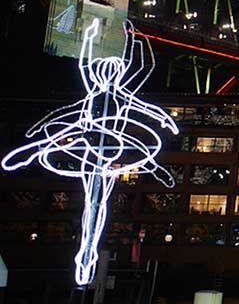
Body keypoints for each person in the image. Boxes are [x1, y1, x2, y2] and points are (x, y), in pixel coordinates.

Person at [2, 20, 178, 285]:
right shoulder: (100, 96)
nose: (109, 74)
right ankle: (87, 255)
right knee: (94, 201)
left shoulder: (120, 97)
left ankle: (88, 253)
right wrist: (103, 34)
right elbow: (69, 110)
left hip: (104, 152)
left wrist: (124, 35)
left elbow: (143, 79)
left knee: (97, 201)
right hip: (96, 150)